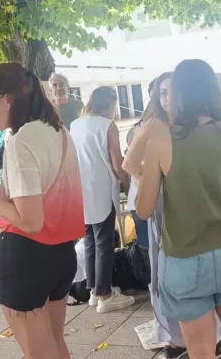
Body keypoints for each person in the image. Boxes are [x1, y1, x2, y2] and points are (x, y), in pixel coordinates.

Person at [136, 60, 221, 359]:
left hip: (184, 258)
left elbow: (143, 210)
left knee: (200, 353)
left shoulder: (162, 138)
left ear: (178, 93)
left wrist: (144, 176)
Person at [0, 63, 84, 359]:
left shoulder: (21, 140)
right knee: (55, 343)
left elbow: (30, 220)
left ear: (7, 99)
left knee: (40, 352)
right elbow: (30, 197)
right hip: (61, 254)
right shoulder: (59, 131)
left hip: (27, 258)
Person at [124, 73, 221, 359]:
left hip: (202, 213)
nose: (167, 98)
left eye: (172, 91)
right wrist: (152, 181)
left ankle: (215, 335)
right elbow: (129, 163)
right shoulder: (155, 124)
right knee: (169, 272)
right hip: (165, 210)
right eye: (162, 93)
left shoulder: (201, 122)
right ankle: (177, 338)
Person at [70, 86, 135, 313]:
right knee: (104, 243)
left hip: (81, 190)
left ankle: (93, 291)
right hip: (101, 189)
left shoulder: (75, 124)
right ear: (109, 104)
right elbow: (117, 164)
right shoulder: (107, 125)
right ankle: (105, 294)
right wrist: (127, 184)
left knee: (89, 240)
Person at [123, 78, 158, 253]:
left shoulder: (135, 130)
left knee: (147, 250)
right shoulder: (158, 130)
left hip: (139, 200)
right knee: (153, 250)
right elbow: (128, 163)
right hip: (150, 201)